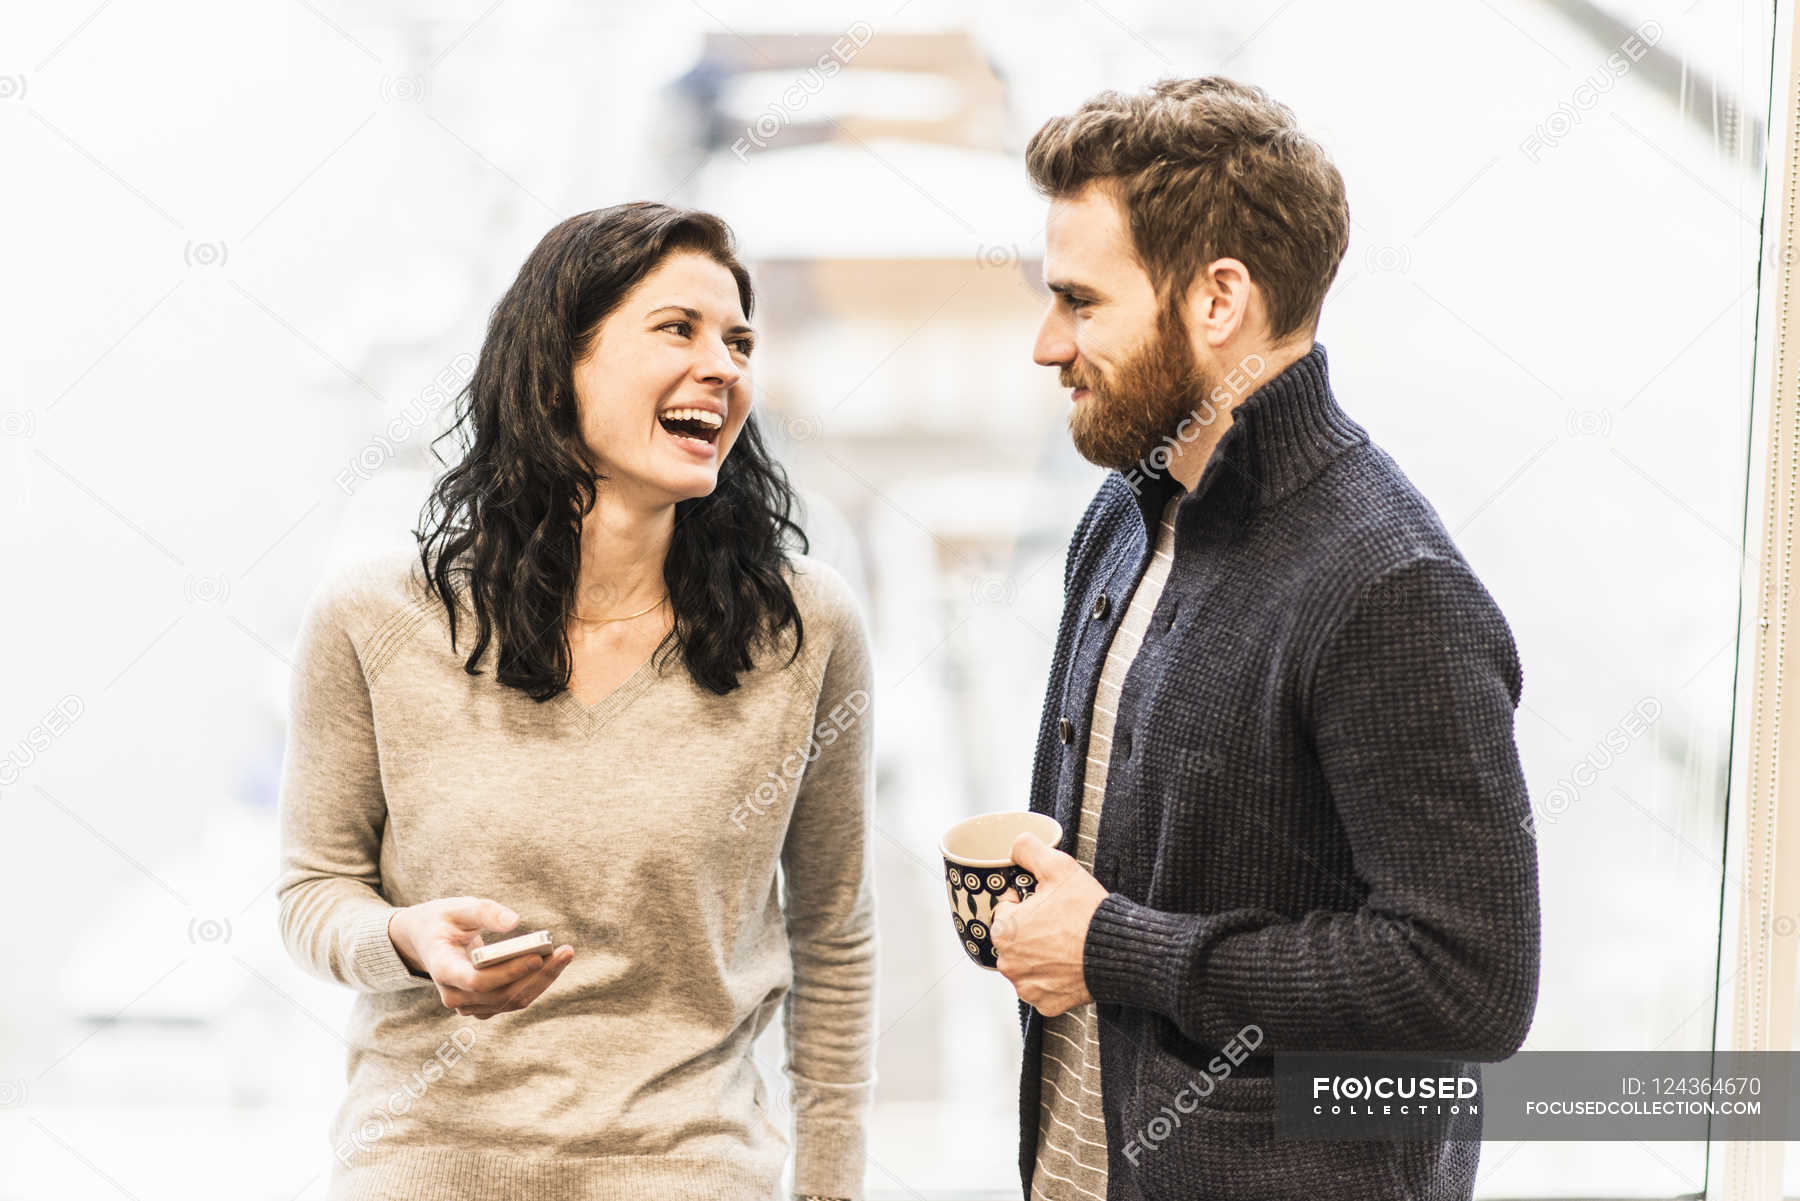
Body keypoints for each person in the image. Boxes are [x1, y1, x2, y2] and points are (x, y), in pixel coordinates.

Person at [989, 77, 1541, 1200]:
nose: (1049, 344)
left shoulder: (1391, 587)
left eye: (1082, 302)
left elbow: (1468, 981)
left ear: (1218, 299)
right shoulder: (1122, 515)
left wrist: (1114, 949)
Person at [276, 201, 874, 1201]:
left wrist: (827, 1188)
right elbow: (314, 893)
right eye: (677, 330)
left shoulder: (802, 631)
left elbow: (834, 932)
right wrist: (406, 940)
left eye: (738, 342)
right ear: (558, 367)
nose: (723, 367)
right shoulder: (372, 617)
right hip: (423, 1170)